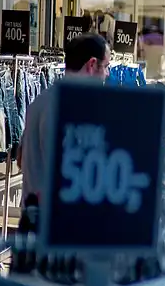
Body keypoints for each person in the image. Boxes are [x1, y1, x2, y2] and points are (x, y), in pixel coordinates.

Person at [16, 34, 111, 232]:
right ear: (92, 64)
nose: (108, 74)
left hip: (34, 220)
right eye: (106, 66)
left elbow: (21, 159)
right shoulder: (70, 109)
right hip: (57, 225)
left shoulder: (41, 101)